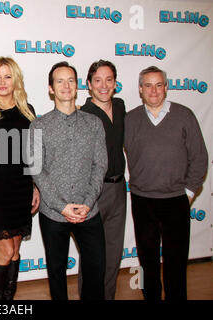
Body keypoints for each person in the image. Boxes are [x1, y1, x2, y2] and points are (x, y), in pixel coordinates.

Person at [124, 66, 208, 300]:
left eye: (159, 85)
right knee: (147, 259)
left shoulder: (184, 115)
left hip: (176, 201)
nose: (154, 90)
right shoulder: (130, 119)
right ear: (140, 89)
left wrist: (189, 192)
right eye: (148, 85)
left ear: (166, 87)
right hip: (142, 200)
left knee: (176, 260)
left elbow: (200, 158)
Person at [30, 61, 107, 300]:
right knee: (56, 272)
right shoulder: (38, 126)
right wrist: (61, 206)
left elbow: (100, 165)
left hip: (89, 210)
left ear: (78, 86)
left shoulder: (94, 124)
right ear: (51, 88)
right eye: (59, 81)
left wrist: (87, 201)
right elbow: (36, 170)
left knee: (96, 270)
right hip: (54, 214)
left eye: (71, 80)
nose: (66, 85)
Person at [0, 57, 40, 300]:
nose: (2, 82)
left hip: (21, 190)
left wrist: (36, 186)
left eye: (8, 76)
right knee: (5, 252)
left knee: (14, 254)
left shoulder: (28, 110)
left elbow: (34, 154)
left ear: (16, 80)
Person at [78, 60, 126, 300]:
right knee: (92, 254)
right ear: (88, 85)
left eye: (109, 80)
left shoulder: (120, 106)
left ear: (116, 84)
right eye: (98, 80)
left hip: (119, 190)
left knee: (114, 253)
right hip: (93, 192)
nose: (103, 85)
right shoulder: (81, 115)